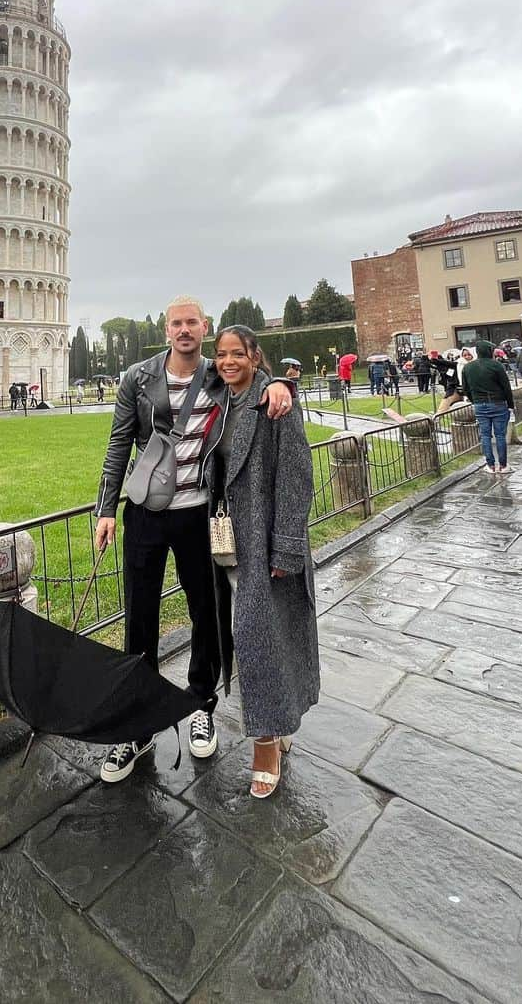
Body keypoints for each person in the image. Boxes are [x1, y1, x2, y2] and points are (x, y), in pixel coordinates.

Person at [93, 296, 293, 784]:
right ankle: (137, 726)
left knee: (207, 612)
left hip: (201, 513)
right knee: (140, 616)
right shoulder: (137, 378)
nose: (185, 330)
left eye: (192, 323)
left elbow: (254, 379)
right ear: (166, 331)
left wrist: (282, 384)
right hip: (145, 513)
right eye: (176, 323)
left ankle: (201, 703)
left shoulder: (217, 374)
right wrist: (105, 509)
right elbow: (119, 443)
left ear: (204, 328)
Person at [209, 325, 319, 799]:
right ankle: (282, 713)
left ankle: (266, 743)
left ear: (255, 356)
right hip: (224, 537)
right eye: (221, 355)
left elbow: (297, 475)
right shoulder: (219, 398)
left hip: (264, 536)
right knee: (263, 636)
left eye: (237, 354)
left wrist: (288, 545)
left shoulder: (275, 402)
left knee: (256, 637)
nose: (228, 362)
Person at [461, 340, 515, 474]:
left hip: (479, 404)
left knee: (485, 435)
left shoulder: (467, 368)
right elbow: (506, 387)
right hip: (498, 403)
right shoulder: (496, 366)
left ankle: (490, 465)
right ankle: (503, 465)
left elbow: (465, 388)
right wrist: (510, 404)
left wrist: (474, 400)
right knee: (500, 435)